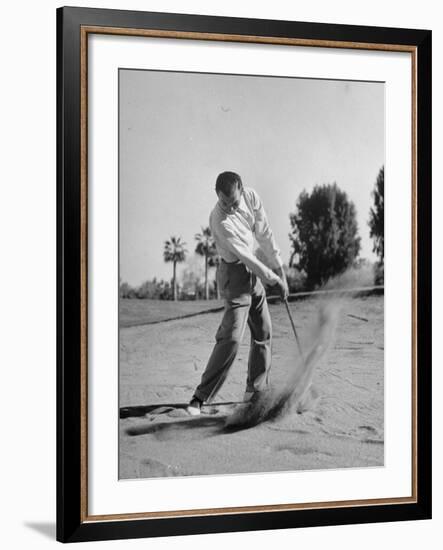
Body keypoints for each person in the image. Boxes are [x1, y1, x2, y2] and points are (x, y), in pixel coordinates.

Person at [187, 171, 289, 416]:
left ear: (241, 190)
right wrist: (274, 280)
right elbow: (246, 256)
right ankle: (199, 398)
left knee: (264, 331)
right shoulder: (219, 220)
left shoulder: (251, 197)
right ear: (217, 196)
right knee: (231, 338)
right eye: (224, 203)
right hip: (234, 275)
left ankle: (255, 391)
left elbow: (264, 234)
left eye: (233, 203)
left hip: (254, 275)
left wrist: (280, 269)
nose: (230, 208)